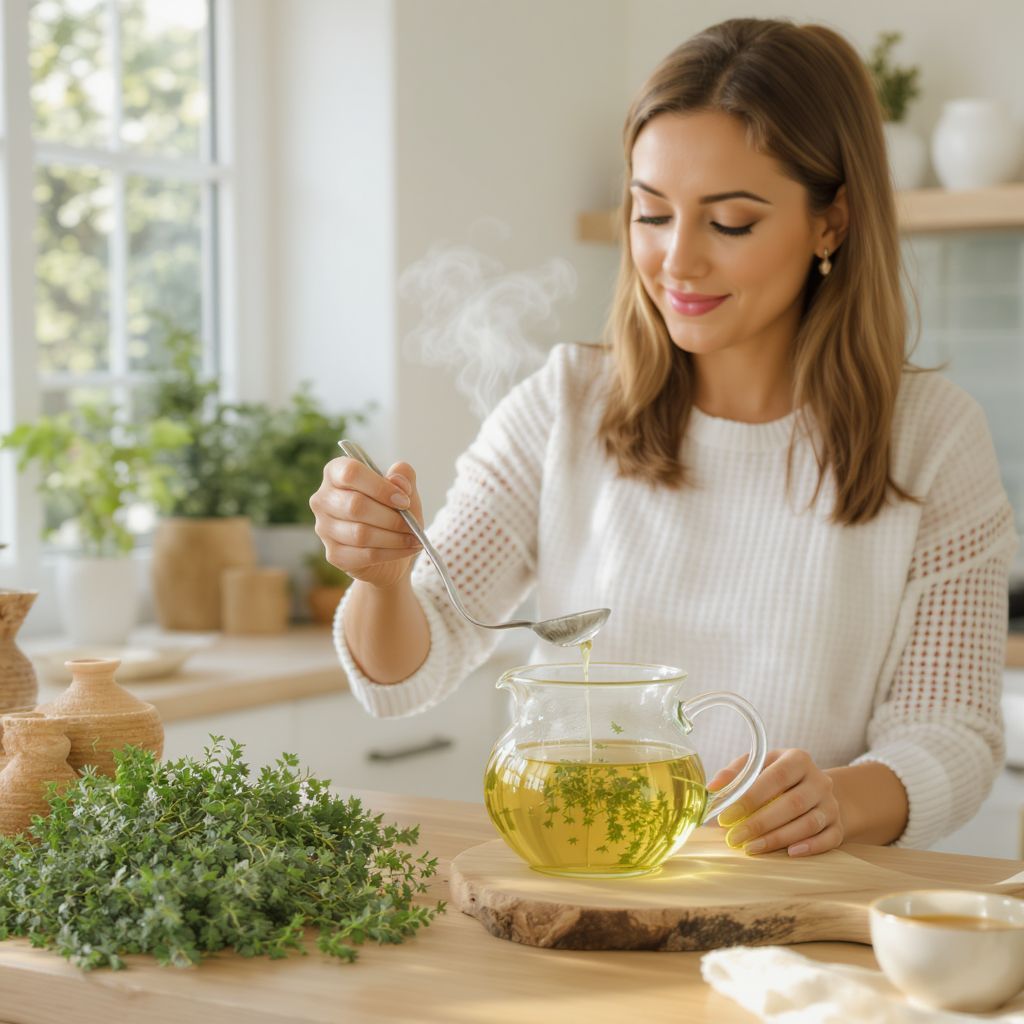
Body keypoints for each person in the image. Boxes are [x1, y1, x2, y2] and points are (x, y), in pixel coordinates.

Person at [310, 17, 1018, 856]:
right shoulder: (566, 405)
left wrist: (840, 800)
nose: (677, 262)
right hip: (590, 881)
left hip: (804, 906)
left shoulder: (932, 437)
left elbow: (956, 736)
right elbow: (402, 678)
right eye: (652, 214)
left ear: (831, 223)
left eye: (731, 224)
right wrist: (384, 582)